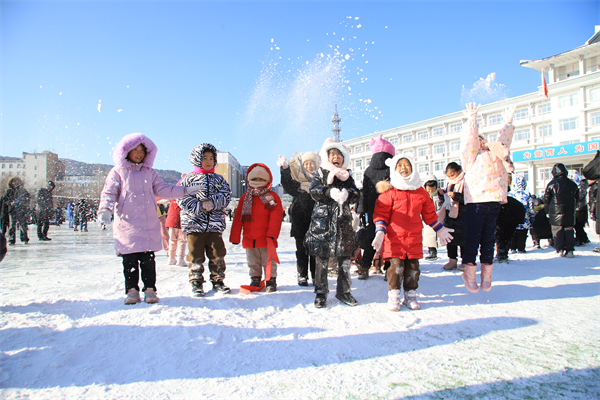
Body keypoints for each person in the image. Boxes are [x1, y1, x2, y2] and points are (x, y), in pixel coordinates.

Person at [98, 133, 198, 305]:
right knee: (129, 260)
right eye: (134, 150)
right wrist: (105, 209)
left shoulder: (149, 173)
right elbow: (109, 192)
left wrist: (185, 190)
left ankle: (150, 289)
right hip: (127, 224)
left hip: (147, 224)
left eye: (141, 150)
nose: (138, 153)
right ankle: (132, 290)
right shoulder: (117, 172)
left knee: (148, 260)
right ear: (126, 151)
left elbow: (165, 189)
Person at [372, 155, 454, 311]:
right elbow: (381, 214)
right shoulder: (389, 192)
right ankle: (394, 297)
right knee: (395, 269)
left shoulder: (420, 192)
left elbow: (430, 214)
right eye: (399, 165)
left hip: (414, 239)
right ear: (394, 170)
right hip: (394, 239)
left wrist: (440, 228)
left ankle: (410, 296)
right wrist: (380, 231)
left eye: (407, 164)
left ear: (413, 167)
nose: (403, 168)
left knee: (413, 269)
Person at [460, 102, 516, 293]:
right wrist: (472, 120)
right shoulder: (471, 157)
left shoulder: (495, 155)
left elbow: (503, 142)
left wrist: (507, 122)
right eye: (478, 140)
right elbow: (469, 141)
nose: (481, 142)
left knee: (489, 240)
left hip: (494, 202)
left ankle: (486, 274)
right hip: (476, 203)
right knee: (473, 239)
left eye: (482, 139)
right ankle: (468, 272)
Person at [304, 138, 360, 308]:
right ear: (327, 157)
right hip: (323, 224)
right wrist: (329, 192)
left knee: (344, 260)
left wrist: (348, 194)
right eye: (332, 154)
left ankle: (344, 291)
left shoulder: (347, 176)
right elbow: (314, 190)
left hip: (343, 223)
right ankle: (321, 293)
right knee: (321, 260)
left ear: (344, 158)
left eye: (339, 154)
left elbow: (356, 192)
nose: (336, 157)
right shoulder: (320, 173)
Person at [178, 143, 231, 297]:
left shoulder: (219, 179)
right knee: (195, 254)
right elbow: (181, 198)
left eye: (211, 158)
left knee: (218, 253)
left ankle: (218, 280)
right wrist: (198, 206)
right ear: (197, 159)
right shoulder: (188, 180)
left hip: (214, 225)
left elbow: (226, 196)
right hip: (194, 225)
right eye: (204, 158)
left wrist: (213, 203)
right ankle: (196, 281)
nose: (208, 161)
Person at [230, 163, 283, 292]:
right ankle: (255, 278)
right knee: (253, 261)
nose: (258, 182)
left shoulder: (271, 197)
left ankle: (271, 280)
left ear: (268, 180)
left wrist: (272, 234)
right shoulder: (245, 197)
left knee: (268, 260)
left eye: (261, 179)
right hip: (249, 237)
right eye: (254, 179)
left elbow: (276, 217)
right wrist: (235, 235)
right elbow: (238, 218)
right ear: (249, 180)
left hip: (266, 237)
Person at [278, 151, 321, 286]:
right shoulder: (297, 182)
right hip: (300, 221)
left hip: (317, 221)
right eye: (306, 163)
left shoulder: (320, 181)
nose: (309, 166)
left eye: (312, 163)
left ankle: (315, 275)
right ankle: (302, 275)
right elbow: (286, 183)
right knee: (301, 250)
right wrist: (284, 169)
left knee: (315, 251)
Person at [356, 134, 395, 280]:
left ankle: (365, 267)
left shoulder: (368, 170)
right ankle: (389, 269)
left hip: (374, 210)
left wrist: (363, 210)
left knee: (373, 237)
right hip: (391, 208)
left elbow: (364, 192)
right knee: (391, 238)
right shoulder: (392, 167)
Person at [544, 163, 579, 258]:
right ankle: (570, 250)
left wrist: (547, 211)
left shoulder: (552, 184)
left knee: (557, 230)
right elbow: (577, 197)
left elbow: (546, 199)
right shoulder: (572, 184)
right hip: (569, 211)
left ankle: (559, 249)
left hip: (555, 212)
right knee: (569, 230)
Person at [439, 162, 467, 270]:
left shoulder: (466, 183)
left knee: (464, 241)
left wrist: (456, 196)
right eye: (449, 175)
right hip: (450, 217)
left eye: (453, 174)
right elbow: (446, 202)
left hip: (463, 217)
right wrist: (442, 195)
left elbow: (469, 199)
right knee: (450, 239)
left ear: (459, 172)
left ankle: (465, 261)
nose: (451, 177)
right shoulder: (449, 184)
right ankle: (452, 260)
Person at [165, 174, 188, 266]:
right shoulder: (186, 194)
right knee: (182, 240)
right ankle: (180, 258)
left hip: (171, 219)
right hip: (182, 219)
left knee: (172, 239)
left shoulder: (172, 193)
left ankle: (171, 258)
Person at [508, 176, 535, 253]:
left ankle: (512, 248)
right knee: (522, 234)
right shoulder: (527, 194)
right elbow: (531, 207)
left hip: (511, 218)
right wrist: (532, 216)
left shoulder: (510, 194)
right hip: (524, 218)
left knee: (512, 233)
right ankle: (521, 248)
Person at [421, 174, 444, 261]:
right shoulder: (424, 195)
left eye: (433, 189)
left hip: (438, 217)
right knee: (429, 236)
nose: (431, 191)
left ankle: (442, 248)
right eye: (429, 189)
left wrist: (442, 196)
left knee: (439, 235)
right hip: (427, 218)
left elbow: (444, 204)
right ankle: (432, 251)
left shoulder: (439, 194)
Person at [4, 177, 30, 245]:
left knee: (23, 225)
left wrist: (22, 203)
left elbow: (27, 198)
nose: (15, 183)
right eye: (13, 182)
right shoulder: (9, 191)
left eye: (16, 181)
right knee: (12, 225)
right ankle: (11, 239)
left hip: (21, 210)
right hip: (12, 210)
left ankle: (24, 238)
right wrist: (10, 202)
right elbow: (5, 199)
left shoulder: (23, 190)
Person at [569, 171, 590, 246]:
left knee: (578, 225)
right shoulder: (578, 185)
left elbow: (580, 195)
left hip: (580, 208)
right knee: (577, 225)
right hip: (578, 207)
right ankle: (584, 238)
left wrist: (572, 195)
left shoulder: (581, 185)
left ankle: (580, 239)